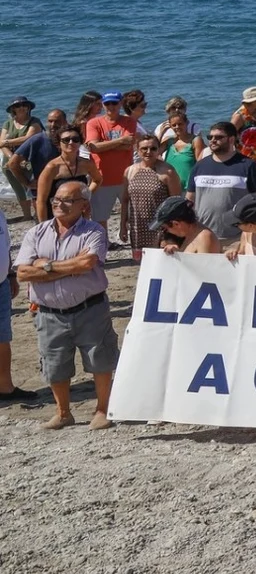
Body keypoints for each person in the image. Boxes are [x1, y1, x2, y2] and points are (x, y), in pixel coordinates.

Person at [14, 181, 115, 429]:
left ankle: (102, 409)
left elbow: (87, 264)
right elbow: (23, 273)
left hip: (89, 308)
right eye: (56, 199)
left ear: (84, 205)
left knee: (100, 359)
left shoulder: (94, 231)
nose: (59, 204)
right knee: (54, 363)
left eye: (68, 200)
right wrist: (66, 267)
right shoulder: (36, 232)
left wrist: (45, 265)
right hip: (49, 312)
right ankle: (63, 412)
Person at [189, 121, 256, 245]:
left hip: (237, 239)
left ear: (231, 139)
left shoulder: (247, 165)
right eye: (210, 137)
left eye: (219, 137)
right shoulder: (200, 166)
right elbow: (190, 200)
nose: (213, 140)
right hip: (204, 236)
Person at [81, 91, 138, 244]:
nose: (111, 106)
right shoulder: (93, 123)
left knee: (134, 215)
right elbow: (93, 147)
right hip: (101, 178)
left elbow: (128, 144)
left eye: (114, 103)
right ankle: (103, 247)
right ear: (103, 105)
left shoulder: (129, 121)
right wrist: (120, 141)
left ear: (120, 104)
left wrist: (103, 146)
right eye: (107, 103)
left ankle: (137, 245)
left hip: (126, 178)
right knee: (100, 218)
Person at [123, 134, 182, 259]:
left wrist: (172, 233)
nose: (148, 152)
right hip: (138, 228)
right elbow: (125, 200)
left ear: (159, 149)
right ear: (137, 150)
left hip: (161, 228)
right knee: (142, 265)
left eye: (153, 148)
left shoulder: (167, 172)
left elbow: (176, 204)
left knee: (163, 263)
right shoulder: (130, 171)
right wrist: (123, 225)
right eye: (144, 148)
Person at [1, 95, 43, 210]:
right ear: (13, 108)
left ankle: (39, 213)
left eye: (25, 105)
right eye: (18, 105)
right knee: (18, 188)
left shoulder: (35, 121)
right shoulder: (8, 124)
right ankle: (26, 215)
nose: (22, 107)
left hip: (29, 160)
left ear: (29, 107)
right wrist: (11, 158)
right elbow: (1, 144)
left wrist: (7, 141)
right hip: (9, 162)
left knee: (33, 187)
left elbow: (28, 138)